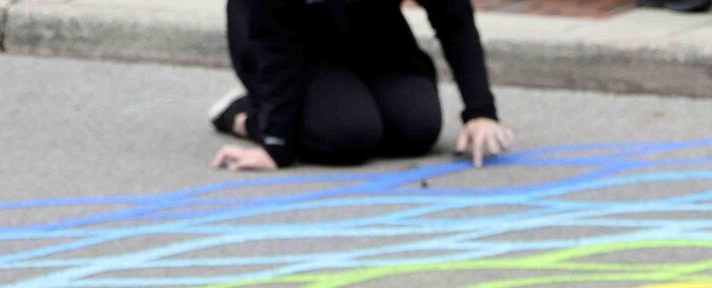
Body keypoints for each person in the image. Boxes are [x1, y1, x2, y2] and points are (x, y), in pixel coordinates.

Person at [209, 0, 515, 171]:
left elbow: (454, 18)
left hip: (370, 32)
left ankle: (344, 96)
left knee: (417, 127)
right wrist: (276, 144)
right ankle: (243, 113)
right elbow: (274, 44)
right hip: (290, 42)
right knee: (347, 135)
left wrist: (480, 112)